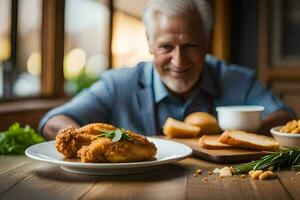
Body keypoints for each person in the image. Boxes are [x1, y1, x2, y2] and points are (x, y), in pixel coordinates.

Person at [39, 0, 294, 140]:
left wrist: (236, 136)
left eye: (190, 45)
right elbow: (53, 122)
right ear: (149, 43)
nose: (178, 60)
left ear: (207, 42)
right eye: (166, 47)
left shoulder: (237, 79)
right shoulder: (119, 84)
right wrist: (97, 143)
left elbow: (284, 116)